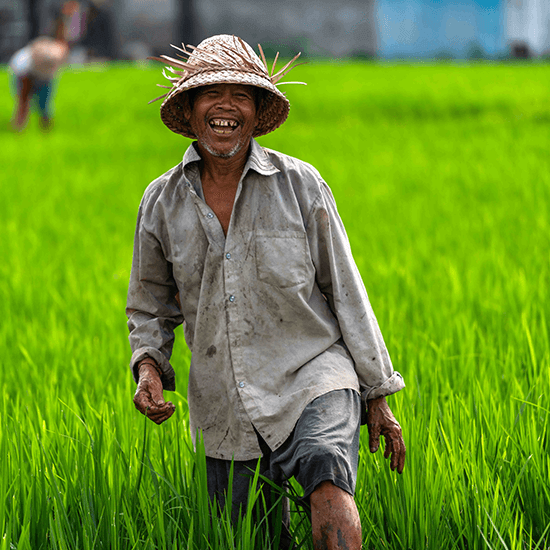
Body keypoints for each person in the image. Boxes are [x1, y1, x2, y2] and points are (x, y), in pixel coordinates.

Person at [128, 34, 406, 550]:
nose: (226, 106)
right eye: (212, 93)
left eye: (242, 95)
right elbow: (149, 305)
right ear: (190, 111)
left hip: (312, 373)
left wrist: (378, 393)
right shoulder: (162, 201)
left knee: (327, 471)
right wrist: (149, 367)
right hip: (222, 396)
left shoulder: (301, 185)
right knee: (247, 536)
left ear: (257, 114)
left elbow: (346, 289)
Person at [8, 36, 68, 131]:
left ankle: (46, 131)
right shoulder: (22, 65)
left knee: (45, 105)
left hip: (43, 76)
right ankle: (18, 129)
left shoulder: (52, 57)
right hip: (24, 75)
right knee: (23, 103)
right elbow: (24, 95)